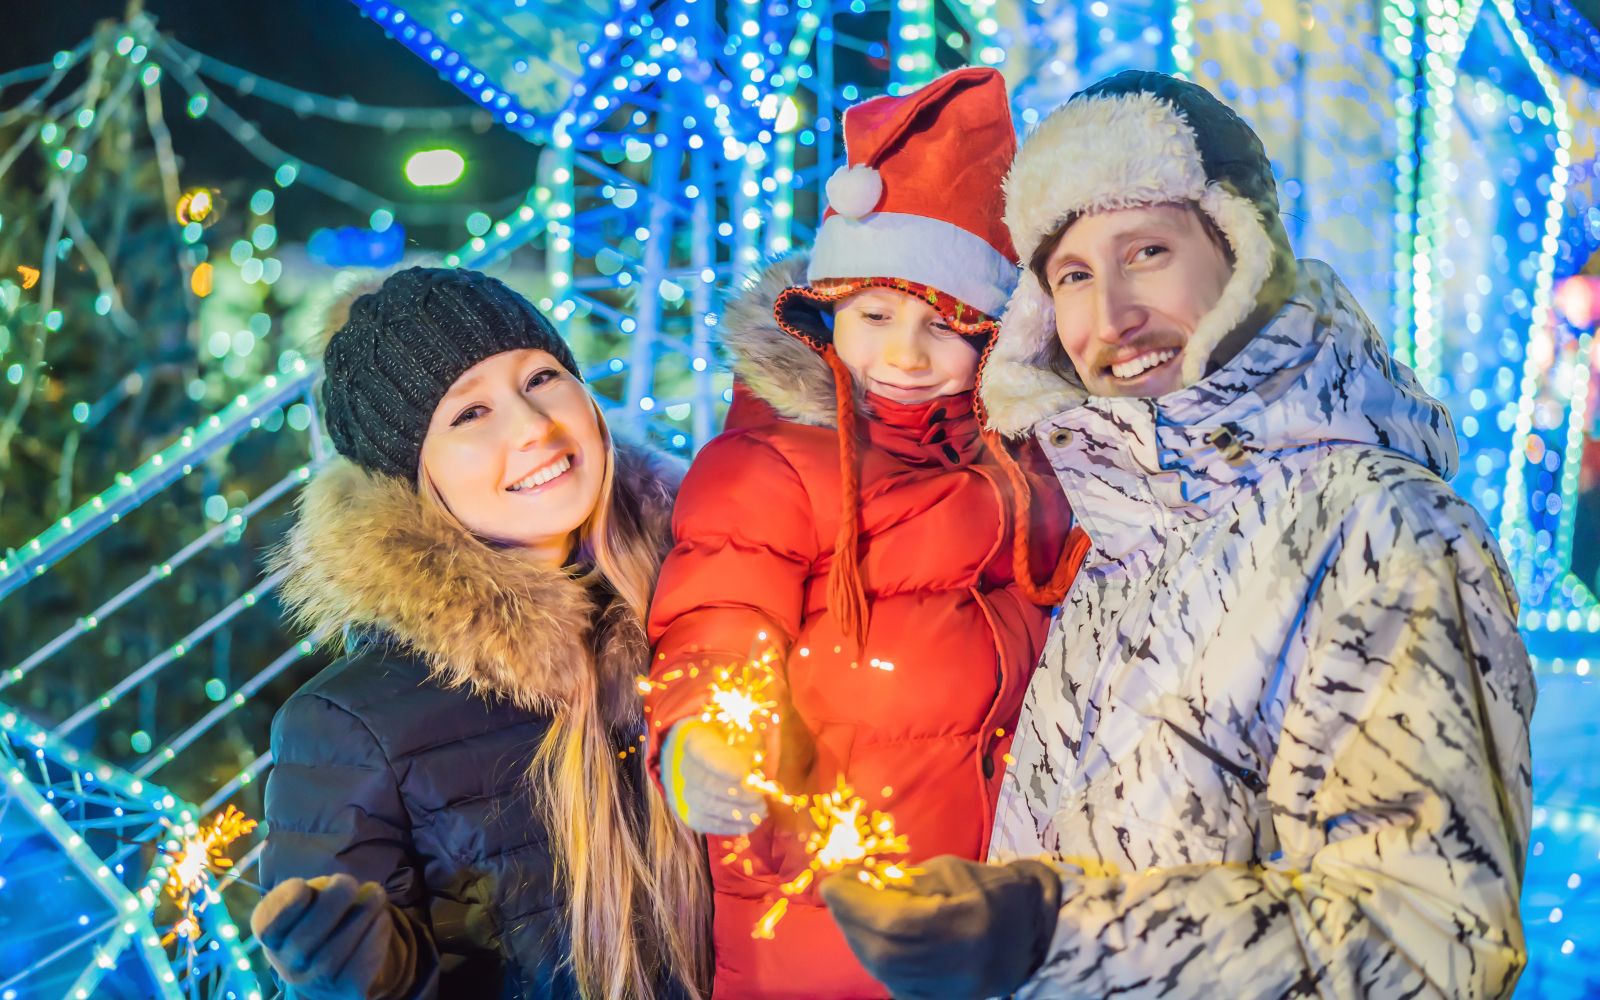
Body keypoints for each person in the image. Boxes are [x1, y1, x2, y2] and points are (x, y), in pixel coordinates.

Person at [822, 70, 1535, 1000]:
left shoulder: (1382, 529)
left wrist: (1049, 934)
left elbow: (1430, 944)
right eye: (1072, 275)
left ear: (1240, 250)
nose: (1111, 316)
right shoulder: (1116, 535)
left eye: (1147, 250)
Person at [640, 67, 1082, 997]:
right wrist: (704, 731)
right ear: (826, 314)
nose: (906, 355)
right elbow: (719, 613)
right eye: (875, 316)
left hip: (993, 905)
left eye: (945, 326)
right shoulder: (772, 462)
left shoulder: (1025, 461)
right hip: (823, 913)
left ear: (995, 334)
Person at [249, 267, 710, 999]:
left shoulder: (710, 608)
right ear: (408, 476)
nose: (534, 427)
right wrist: (364, 977)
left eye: (543, 377)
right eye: (469, 414)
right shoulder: (346, 727)